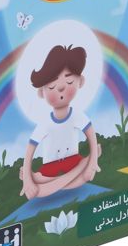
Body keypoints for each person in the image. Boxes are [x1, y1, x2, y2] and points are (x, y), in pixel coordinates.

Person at [20, 44, 100, 200]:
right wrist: (28, 180)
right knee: (39, 187)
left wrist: (93, 161)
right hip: (51, 166)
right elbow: (31, 148)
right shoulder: (45, 123)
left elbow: (90, 134)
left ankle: (81, 166)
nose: (61, 88)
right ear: (42, 93)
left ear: (80, 82)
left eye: (69, 82)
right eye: (51, 86)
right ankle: (79, 167)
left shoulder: (76, 115)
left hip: (73, 160)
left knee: (84, 177)